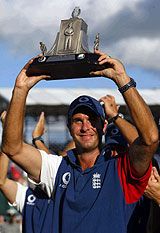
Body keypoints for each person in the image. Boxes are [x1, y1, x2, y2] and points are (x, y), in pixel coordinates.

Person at [2, 50, 159, 233]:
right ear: (70, 128)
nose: (86, 127)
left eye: (92, 120)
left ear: (104, 126)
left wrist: (122, 79)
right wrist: (20, 90)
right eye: (78, 120)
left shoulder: (122, 169)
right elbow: (12, 148)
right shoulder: (58, 169)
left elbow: (150, 139)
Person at [0, 111, 55, 233]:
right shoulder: (27, 197)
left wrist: (37, 139)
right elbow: (1, 180)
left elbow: (52, 167)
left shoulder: (61, 193)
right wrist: (7, 135)